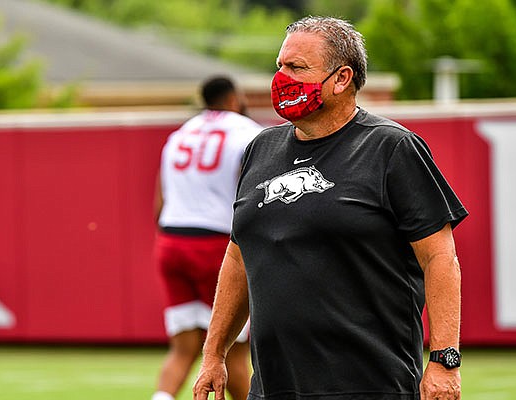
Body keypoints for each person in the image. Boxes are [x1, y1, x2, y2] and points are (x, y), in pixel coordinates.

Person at [193, 16, 468, 400]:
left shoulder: (392, 149)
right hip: (272, 388)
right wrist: (214, 354)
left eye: (297, 68)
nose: (282, 78)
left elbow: (440, 258)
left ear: (342, 78)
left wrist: (444, 360)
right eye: (280, 67)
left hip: (368, 386)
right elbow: (239, 257)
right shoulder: (260, 149)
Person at [151, 76, 262, 400]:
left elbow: (160, 203)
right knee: (233, 350)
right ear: (232, 99)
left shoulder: (180, 134)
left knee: (183, 347)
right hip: (217, 243)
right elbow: (252, 193)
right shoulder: (247, 131)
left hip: (171, 240)